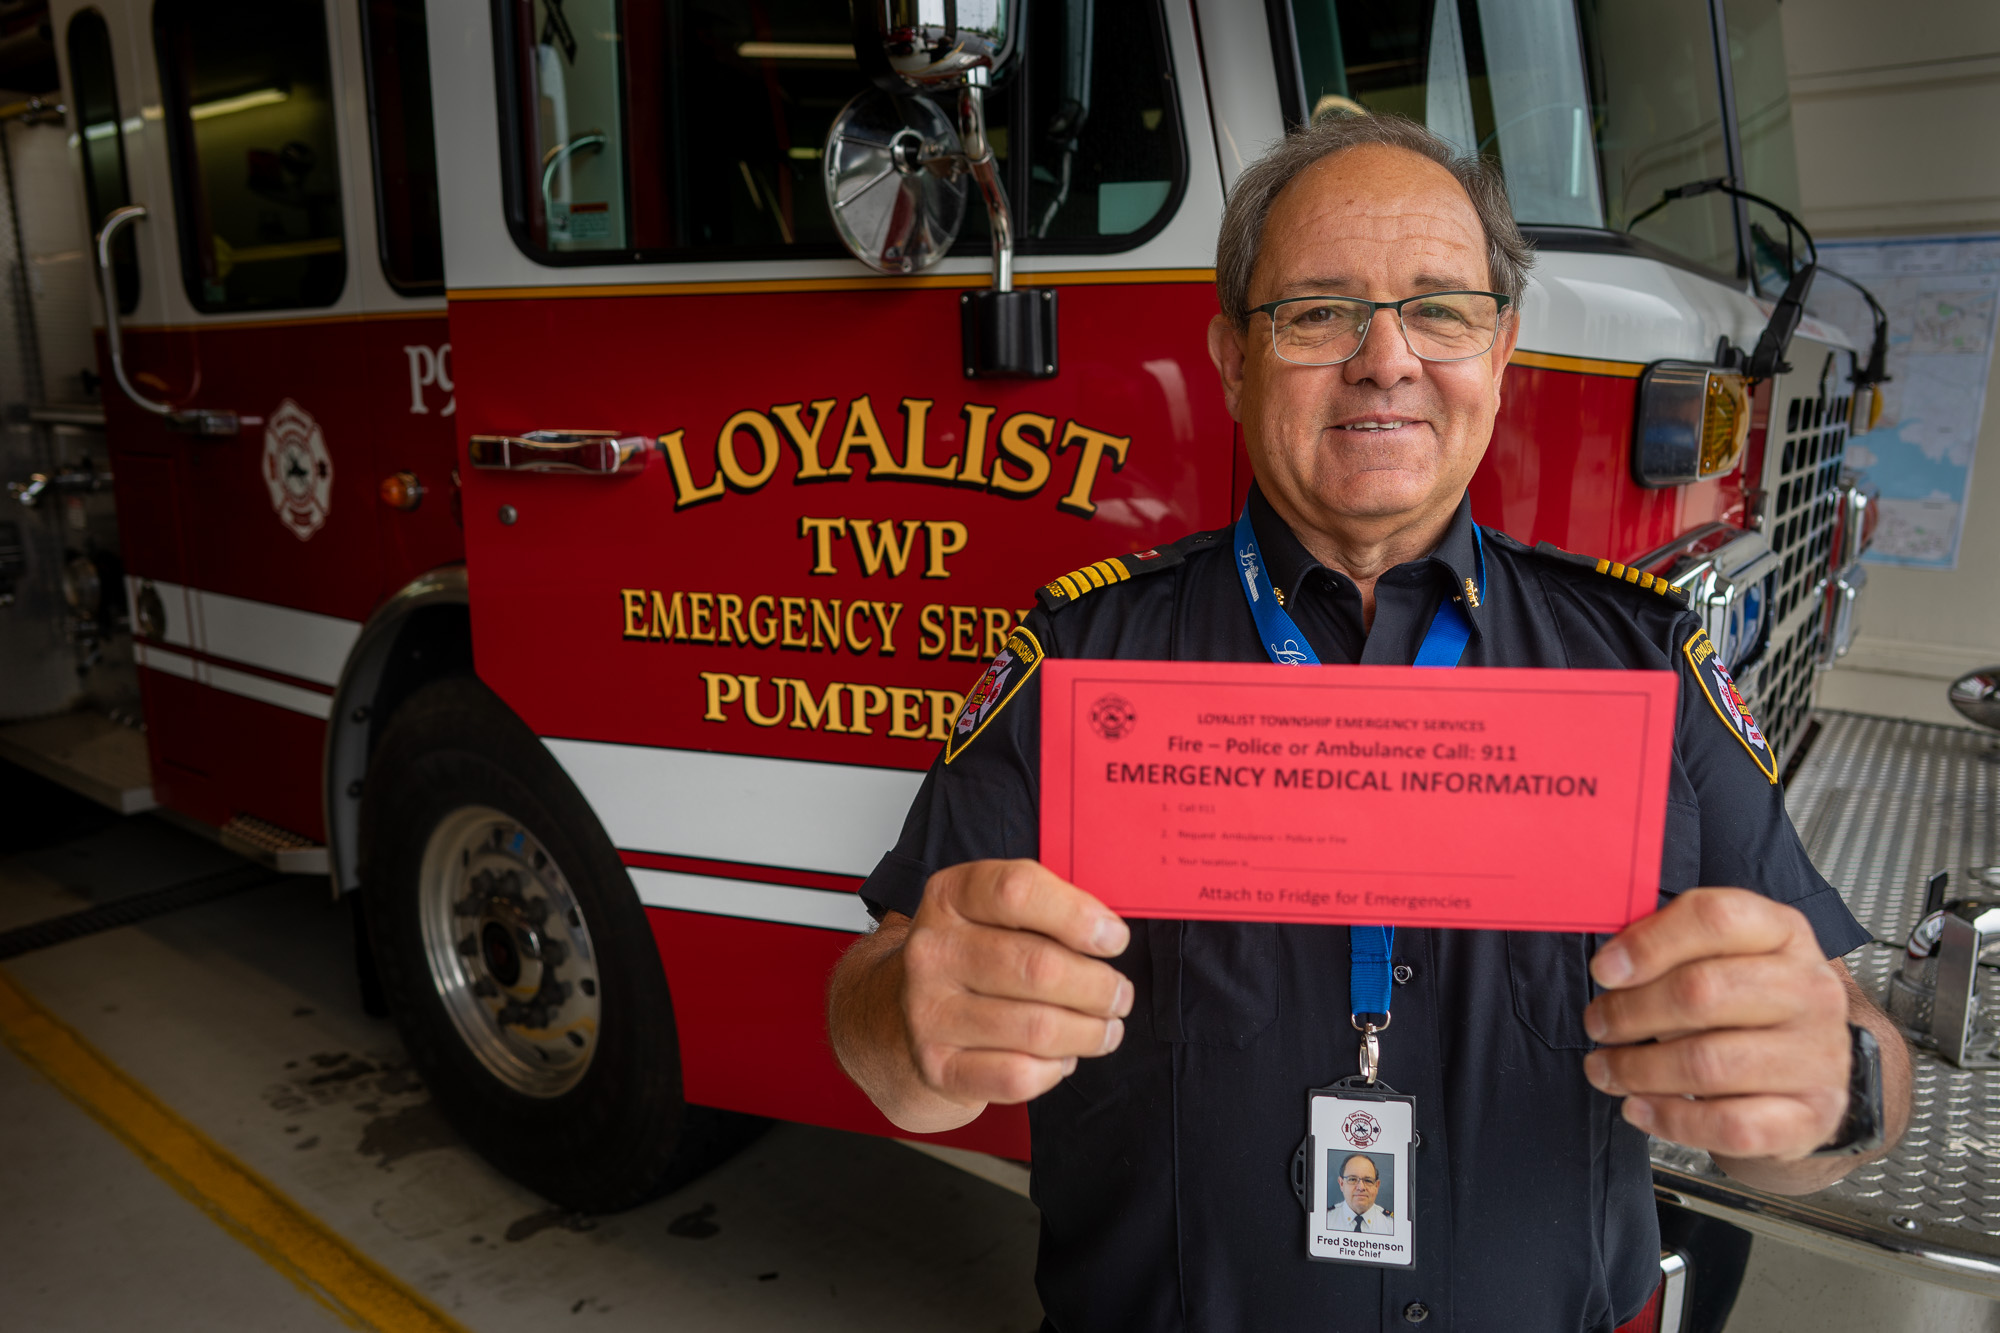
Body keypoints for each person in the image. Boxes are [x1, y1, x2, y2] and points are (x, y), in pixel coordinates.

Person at [826, 112, 1911, 1333]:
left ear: (1499, 352)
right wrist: (903, 1027)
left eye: (1439, 309)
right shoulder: (1080, 659)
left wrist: (1836, 1093)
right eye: (1315, 312)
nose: (1384, 359)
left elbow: (1833, 1098)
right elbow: (878, 1021)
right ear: (1232, 361)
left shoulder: (1647, 665)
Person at [1328, 1153, 1393, 1234]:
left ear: (1377, 1186)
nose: (1361, 1187)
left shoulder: (1392, 1225)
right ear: (1341, 1184)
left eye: (1368, 1180)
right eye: (1352, 1179)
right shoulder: (1326, 1219)